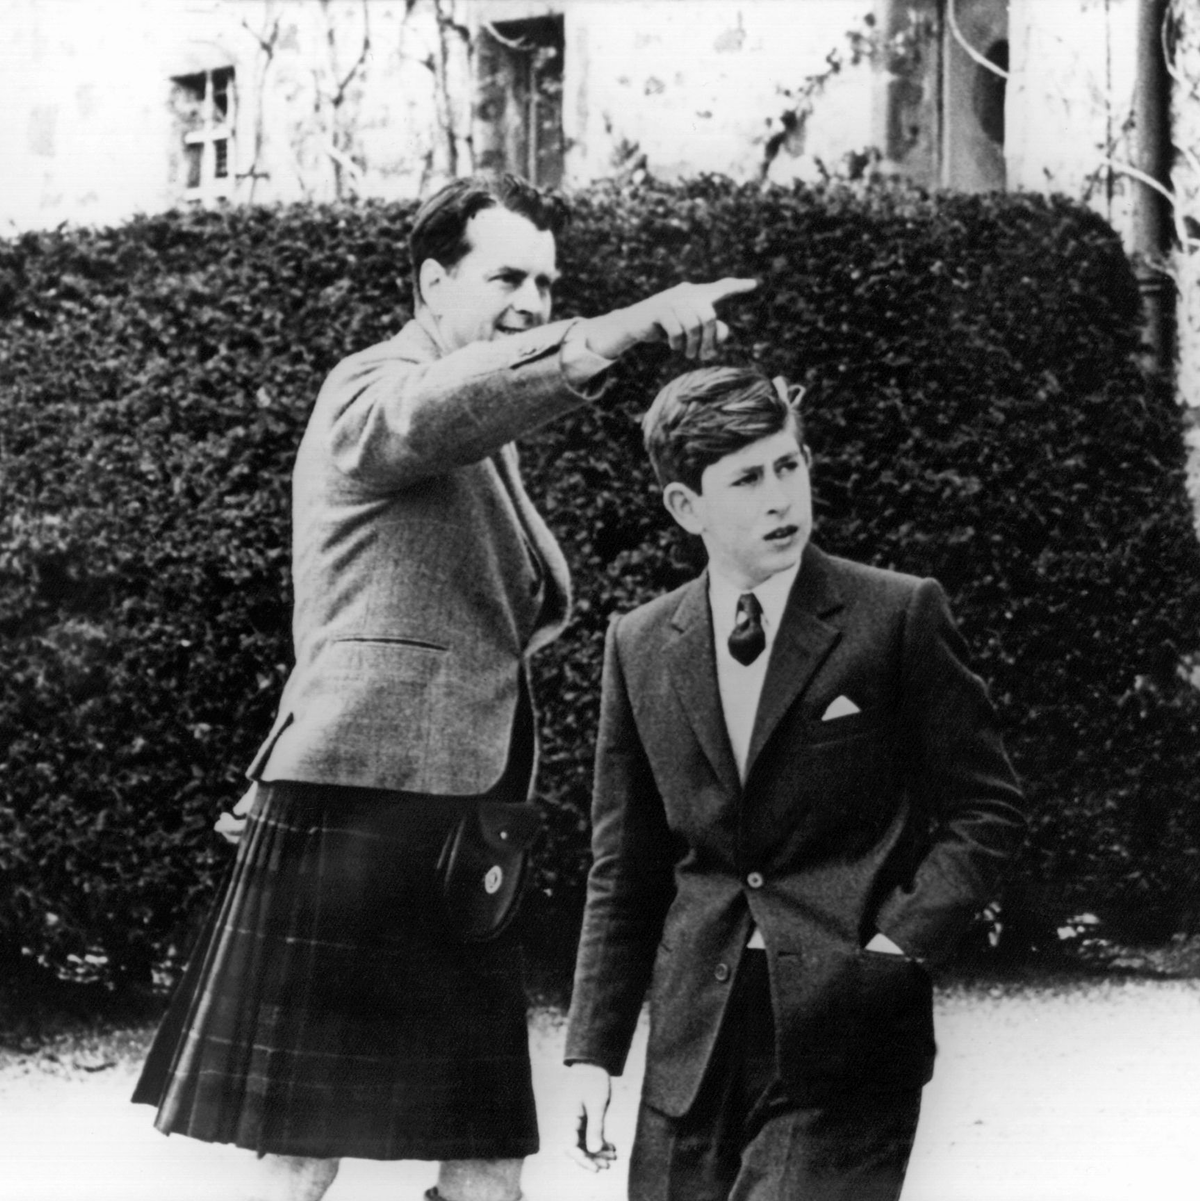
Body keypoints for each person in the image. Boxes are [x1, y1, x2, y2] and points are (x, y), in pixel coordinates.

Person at [132, 173, 755, 1201]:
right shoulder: (374, 388)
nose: (533, 302)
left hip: (452, 811)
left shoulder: (475, 418)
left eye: (549, 284)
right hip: (364, 797)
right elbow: (442, 408)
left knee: (482, 1147)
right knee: (304, 1144)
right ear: (433, 282)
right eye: (508, 275)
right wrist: (626, 326)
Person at [562, 366, 1027, 1201]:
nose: (781, 497)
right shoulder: (638, 643)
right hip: (691, 1046)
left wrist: (895, 946)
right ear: (685, 507)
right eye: (746, 479)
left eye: (790, 465)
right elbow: (622, 867)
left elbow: (986, 808)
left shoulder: (897, 614)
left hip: (846, 1022)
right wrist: (594, 1053)